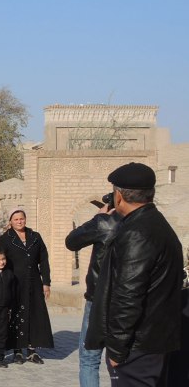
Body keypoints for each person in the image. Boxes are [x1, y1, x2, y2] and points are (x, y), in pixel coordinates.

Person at [85, 162, 184, 387]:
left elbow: (128, 295)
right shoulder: (155, 224)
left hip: (137, 346)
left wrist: (118, 350)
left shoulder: (137, 233)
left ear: (118, 196)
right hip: (153, 341)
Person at [65, 200, 121, 387]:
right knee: (122, 358)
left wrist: (98, 217)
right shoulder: (145, 223)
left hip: (98, 298)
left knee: (90, 358)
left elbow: (72, 241)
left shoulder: (104, 222)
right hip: (129, 298)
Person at [0, 208, 54, 364]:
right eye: (16, 219)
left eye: (21, 218)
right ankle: (17, 350)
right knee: (16, 314)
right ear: (10, 222)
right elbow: (0, 260)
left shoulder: (35, 237)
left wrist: (46, 282)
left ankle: (31, 350)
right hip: (15, 283)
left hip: (34, 282)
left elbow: (43, 260)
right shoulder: (6, 238)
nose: (19, 221)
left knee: (33, 314)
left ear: (25, 219)